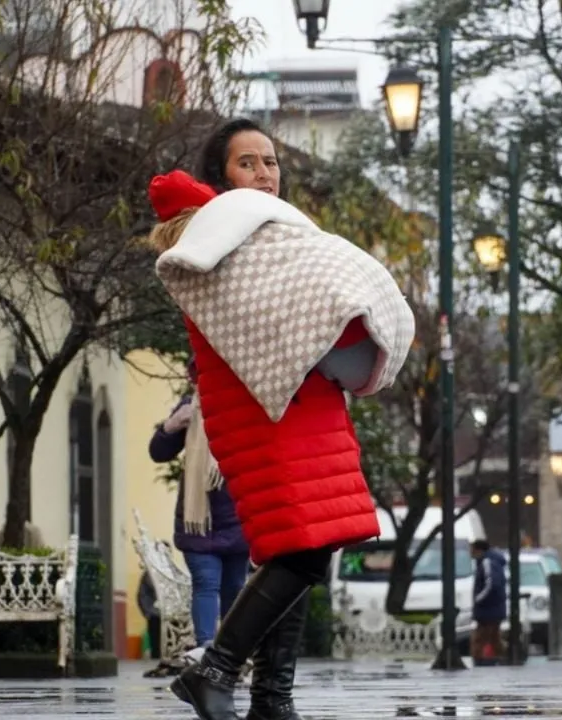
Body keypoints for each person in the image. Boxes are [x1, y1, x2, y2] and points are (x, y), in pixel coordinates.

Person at [146, 119, 415, 720]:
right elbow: (290, 318)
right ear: (222, 178)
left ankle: (272, 697)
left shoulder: (257, 235)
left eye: (270, 161)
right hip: (265, 407)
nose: (266, 174)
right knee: (301, 549)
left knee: (302, 547)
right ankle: (214, 670)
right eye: (249, 163)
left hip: (300, 402)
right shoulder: (219, 238)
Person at [148, 359, 250, 657]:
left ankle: (231, 653)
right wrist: (170, 426)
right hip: (198, 520)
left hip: (237, 518)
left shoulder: (244, 410)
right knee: (206, 582)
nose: (201, 382)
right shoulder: (190, 409)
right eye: (198, 377)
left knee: (234, 587)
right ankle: (206, 648)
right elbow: (158, 452)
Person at [470, 539, 509, 666]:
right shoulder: (492, 562)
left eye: (472, 549)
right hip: (494, 608)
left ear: (478, 550)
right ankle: (503, 657)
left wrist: (478, 599)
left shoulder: (487, 562)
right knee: (494, 637)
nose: (470, 552)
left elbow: (491, 584)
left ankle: (479, 659)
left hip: (488, 609)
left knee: (480, 637)